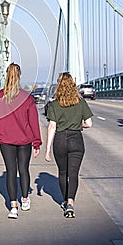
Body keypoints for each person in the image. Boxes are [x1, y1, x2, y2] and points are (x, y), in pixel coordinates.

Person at [0, 63, 42, 219]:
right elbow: (33, 121)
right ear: (19, 76)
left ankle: (13, 207)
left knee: (11, 171)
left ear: (6, 75)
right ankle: (25, 200)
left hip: (5, 140)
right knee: (23, 170)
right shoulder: (27, 97)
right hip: (24, 139)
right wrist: (37, 142)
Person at [45, 72, 93, 218]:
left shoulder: (53, 104)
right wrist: (78, 124)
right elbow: (89, 124)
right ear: (73, 86)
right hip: (76, 139)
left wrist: (47, 149)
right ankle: (71, 203)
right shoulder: (81, 102)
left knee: (63, 173)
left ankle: (65, 201)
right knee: (73, 174)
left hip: (60, 139)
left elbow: (52, 127)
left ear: (59, 86)